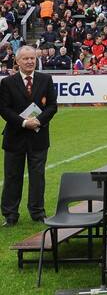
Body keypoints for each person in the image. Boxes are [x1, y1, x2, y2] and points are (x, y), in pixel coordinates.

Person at [0, 47, 58, 225]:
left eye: (32, 58)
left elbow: (52, 106)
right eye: (25, 59)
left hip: (38, 136)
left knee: (37, 176)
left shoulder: (45, 79)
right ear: (17, 62)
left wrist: (38, 121)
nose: (30, 61)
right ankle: (10, 215)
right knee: (12, 176)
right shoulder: (8, 83)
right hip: (15, 136)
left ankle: (37, 212)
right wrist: (23, 122)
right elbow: (3, 108)